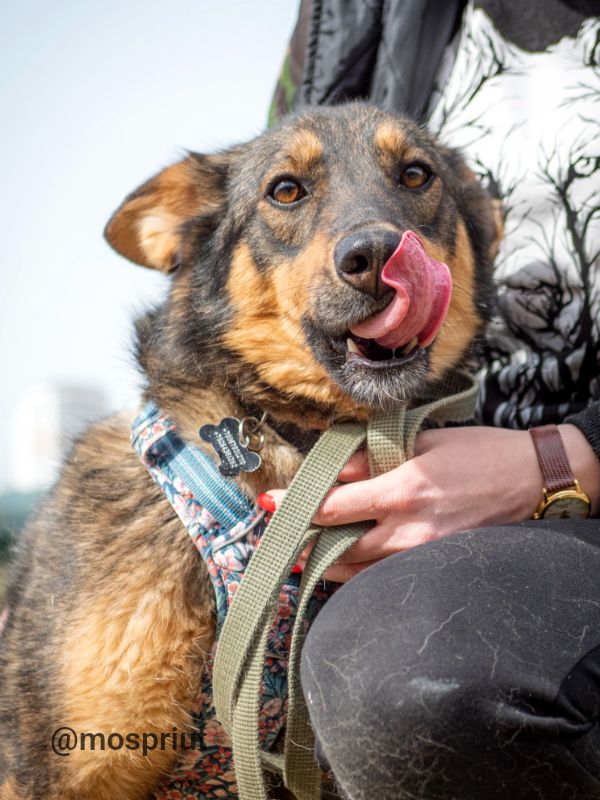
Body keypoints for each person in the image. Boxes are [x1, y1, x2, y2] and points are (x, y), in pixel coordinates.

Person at [261, 2, 600, 798]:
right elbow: (263, 231)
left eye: (415, 177)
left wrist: (562, 458)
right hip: (413, 490)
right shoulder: (351, 13)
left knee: (410, 675)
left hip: (554, 502)